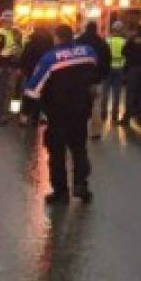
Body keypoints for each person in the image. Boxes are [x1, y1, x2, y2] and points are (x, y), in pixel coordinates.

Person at [24, 24, 98, 204]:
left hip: (58, 113)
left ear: (57, 38)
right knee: (79, 149)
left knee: (57, 153)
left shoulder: (50, 58)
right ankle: (81, 185)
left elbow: (33, 89)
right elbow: (96, 72)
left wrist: (28, 111)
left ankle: (60, 192)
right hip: (81, 110)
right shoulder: (88, 52)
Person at [76, 21, 111, 139]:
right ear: (96, 29)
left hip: (80, 80)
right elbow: (107, 61)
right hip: (96, 80)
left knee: (79, 105)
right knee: (96, 105)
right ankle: (96, 132)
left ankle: (79, 129)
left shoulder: (79, 41)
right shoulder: (102, 43)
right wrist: (102, 76)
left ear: (86, 28)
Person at [0, 11, 23, 124]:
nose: (11, 23)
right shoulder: (1, 33)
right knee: (0, 93)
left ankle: (2, 116)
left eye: (11, 21)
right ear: (4, 21)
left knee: (5, 93)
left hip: (6, 66)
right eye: (9, 21)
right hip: (1, 67)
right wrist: (12, 51)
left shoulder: (9, 33)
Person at [18, 26, 54, 127]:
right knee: (44, 94)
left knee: (29, 95)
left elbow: (25, 56)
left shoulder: (30, 43)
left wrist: (22, 68)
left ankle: (24, 117)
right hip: (45, 73)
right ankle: (41, 117)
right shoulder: (49, 44)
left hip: (31, 73)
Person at [100, 21, 126, 124]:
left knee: (105, 92)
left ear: (113, 30)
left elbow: (103, 55)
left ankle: (103, 113)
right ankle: (114, 115)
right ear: (121, 31)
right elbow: (126, 56)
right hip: (119, 69)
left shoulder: (107, 41)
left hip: (108, 69)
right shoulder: (124, 42)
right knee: (117, 93)